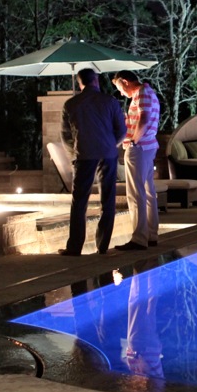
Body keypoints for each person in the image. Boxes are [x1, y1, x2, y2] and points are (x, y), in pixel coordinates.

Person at [58, 67, 127, 256]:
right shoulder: (110, 102)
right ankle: (102, 245)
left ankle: (75, 247)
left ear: (80, 83)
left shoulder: (71, 104)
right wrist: (110, 145)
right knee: (108, 199)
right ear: (96, 81)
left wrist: (74, 154)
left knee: (79, 201)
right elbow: (122, 131)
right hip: (108, 154)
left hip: (84, 155)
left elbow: (65, 135)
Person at [112, 69, 161, 251]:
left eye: (119, 87)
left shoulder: (142, 93)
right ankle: (151, 234)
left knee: (135, 193)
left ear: (125, 81)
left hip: (139, 148)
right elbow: (143, 118)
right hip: (148, 147)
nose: (120, 92)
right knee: (148, 191)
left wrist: (133, 141)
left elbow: (144, 119)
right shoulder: (149, 93)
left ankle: (139, 238)